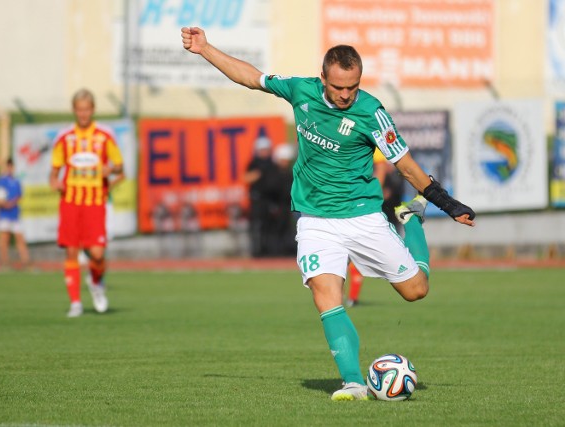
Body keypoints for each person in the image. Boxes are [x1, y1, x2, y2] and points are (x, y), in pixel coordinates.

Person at [181, 27, 475, 401]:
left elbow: (408, 167)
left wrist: (448, 205)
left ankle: (410, 220)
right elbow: (250, 77)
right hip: (316, 220)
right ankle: (352, 382)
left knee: (416, 291)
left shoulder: (372, 113)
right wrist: (206, 49)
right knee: (326, 295)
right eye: (338, 87)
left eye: (352, 87)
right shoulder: (300, 90)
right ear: (323, 79)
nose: (346, 95)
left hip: (363, 216)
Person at [49, 88, 124, 318]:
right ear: (74, 110)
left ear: (93, 110)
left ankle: (96, 282)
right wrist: (54, 181)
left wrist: (110, 168)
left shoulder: (104, 135)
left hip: (95, 202)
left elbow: (120, 166)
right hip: (71, 201)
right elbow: (54, 170)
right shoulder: (64, 137)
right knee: (71, 252)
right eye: (79, 109)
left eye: (87, 109)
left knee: (98, 254)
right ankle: (75, 303)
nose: (83, 114)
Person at [345, 150, 404, 307]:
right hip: (356, 213)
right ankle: (349, 298)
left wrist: (375, 193)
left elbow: (382, 169)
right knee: (349, 259)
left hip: (377, 217)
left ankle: (350, 297)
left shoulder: (391, 176)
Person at [0, 158, 30, 268]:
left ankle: (25, 262)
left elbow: (19, 196)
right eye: (8, 166)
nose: (10, 169)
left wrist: (12, 202)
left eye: (12, 166)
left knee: (20, 238)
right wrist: (0, 202)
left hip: (15, 213)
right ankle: (4, 262)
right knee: (4, 238)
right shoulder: (1, 180)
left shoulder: (16, 181)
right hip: (4, 214)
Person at [243, 136, 278, 257]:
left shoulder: (273, 164)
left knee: (270, 227)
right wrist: (259, 173)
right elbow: (246, 178)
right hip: (257, 200)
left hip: (270, 200)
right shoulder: (254, 163)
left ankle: (269, 251)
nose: (265, 152)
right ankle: (256, 252)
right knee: (257, 227)